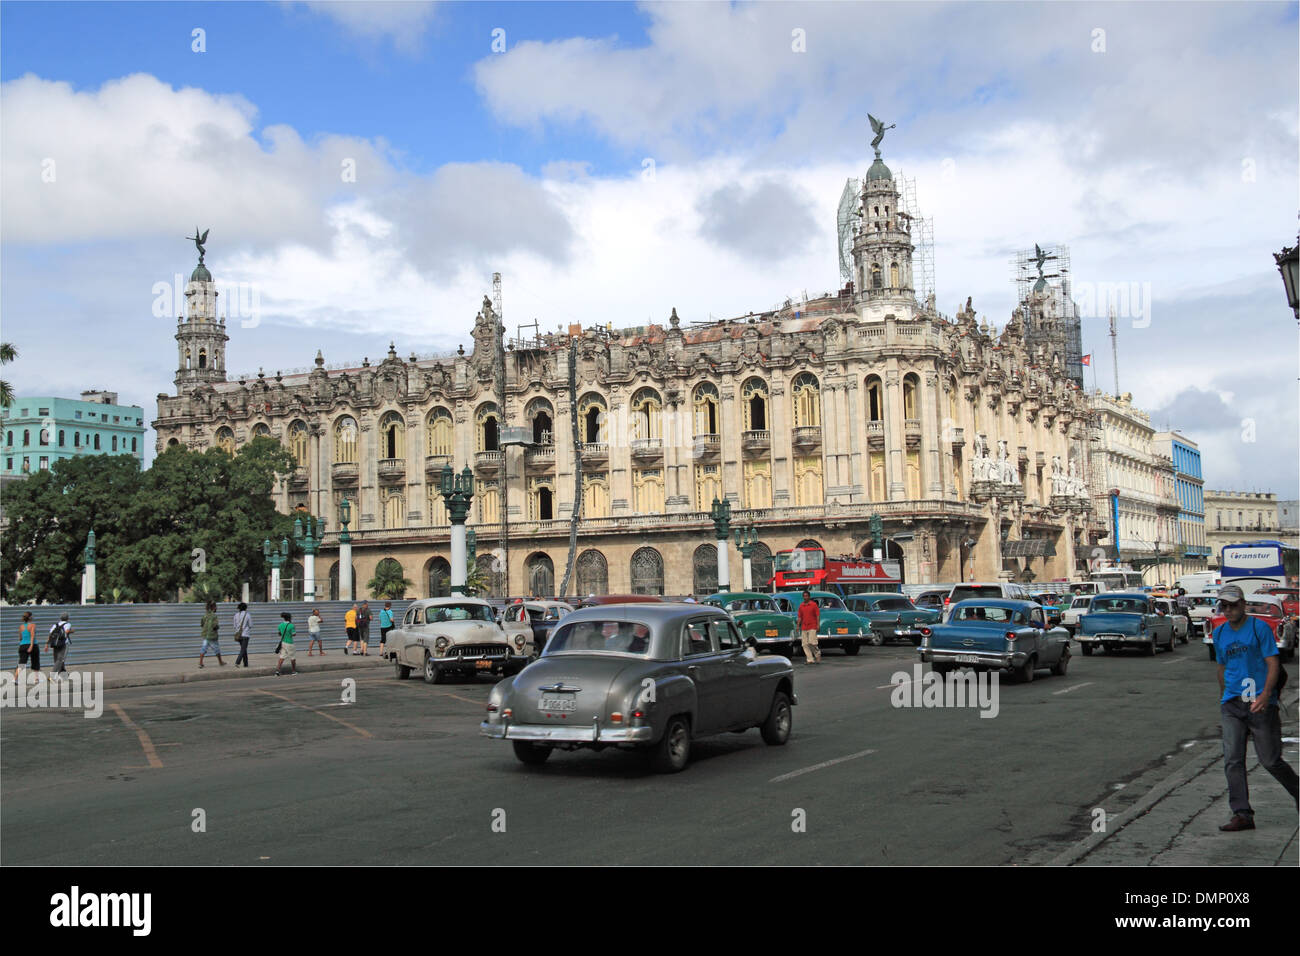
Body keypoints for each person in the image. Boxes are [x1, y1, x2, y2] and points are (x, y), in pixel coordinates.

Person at [1212, 584, 1299, 831]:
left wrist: (1266, 695)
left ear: (1243, 605)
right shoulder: (1219, 633)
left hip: (1261, 705)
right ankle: (1242, 814)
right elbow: (1222, 667)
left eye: (1232, 605)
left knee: (1270, 760)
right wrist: (1223, 697)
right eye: (1224, 606)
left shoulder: (1259, 628)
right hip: (1232, 705)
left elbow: (1273, 664)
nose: (1228, 610)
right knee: (1232, 760)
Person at [796, 590, 821, 664]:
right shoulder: (801, 606)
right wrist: (798, 626)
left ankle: (817, 654)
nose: (805, 597)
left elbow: (817, 615)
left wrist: (818, 625)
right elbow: (800, 617)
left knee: (812, 642)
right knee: (804, 644)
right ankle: (810, 659)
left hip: (812, 626)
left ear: (809, 597)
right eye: (804, 596)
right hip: (804, 627)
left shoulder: (813, 605)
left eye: (806, 596)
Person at [46, 612, 72, 680]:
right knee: (60, 659)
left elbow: (50, 634)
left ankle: (64, 674)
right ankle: (52, 676)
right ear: (67, 618)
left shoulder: (55, 625)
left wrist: (47, 644)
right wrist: (71, 631)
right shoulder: (68, 624)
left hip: (55, 643)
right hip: (63, 643)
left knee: (57, 659)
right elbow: (66, 631)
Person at [15, 611, 38, 680]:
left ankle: (15, 679)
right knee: (35, 661)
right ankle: (36, 679)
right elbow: (32, 636)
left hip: (22, 646)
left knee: (21, 663)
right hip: (32, 645)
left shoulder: (21, 626)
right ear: (30, 617)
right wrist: (31, 646)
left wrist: (23, 643)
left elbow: (20, 638)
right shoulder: (32, 625)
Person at [275, 611, 298, 676]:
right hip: (289, 643)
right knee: (292, 657)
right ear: (289, 618)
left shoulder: (280, 625)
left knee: (282, 657)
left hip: (283, 643)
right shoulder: (291, 625)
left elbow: (279, 634)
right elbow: (294, 634)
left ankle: (277, 671)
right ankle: (293, 671)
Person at [232, 602, 252, 667]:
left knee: (244, 649)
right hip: (245, 634)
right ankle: (237, 662)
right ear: (245, 608)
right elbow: (250, 625)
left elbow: (234, 626)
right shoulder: (247, 615)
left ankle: (246, 664)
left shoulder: (236, 615)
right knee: (243, 649)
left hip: (239, 635)